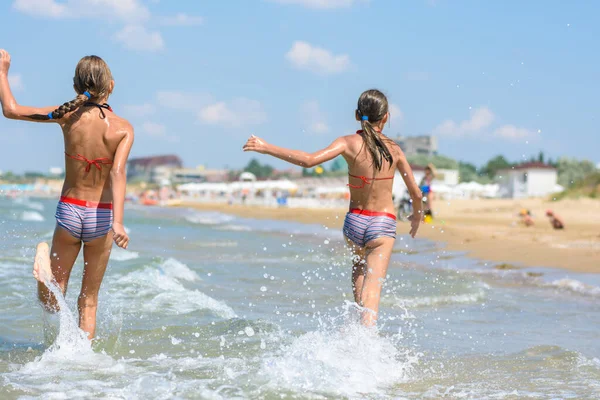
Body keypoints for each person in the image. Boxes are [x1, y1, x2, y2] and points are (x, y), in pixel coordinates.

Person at [243, 89, 423, 326]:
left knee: (359, 269)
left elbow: (308, 160)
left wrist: (267, 147)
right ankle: (367, 340)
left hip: (355, 223)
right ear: (386, 117)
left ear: (357, 114)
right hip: (382, 223)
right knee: (373, 288)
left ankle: (357, 333)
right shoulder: (395, 149)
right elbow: (416, 193)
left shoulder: (347, 143)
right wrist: (416, 217)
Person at [0, 50, 133, 340]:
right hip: (102, 216)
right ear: (111, 86)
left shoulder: (66, 116)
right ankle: (81, 367)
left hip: (70, 211)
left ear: (76, 87)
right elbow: (118, 173)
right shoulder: (123, 129)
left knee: (53, 295)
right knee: (89, 301)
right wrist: (119, 223)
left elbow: (10, 110)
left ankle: (43, 269)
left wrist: (2, 72)